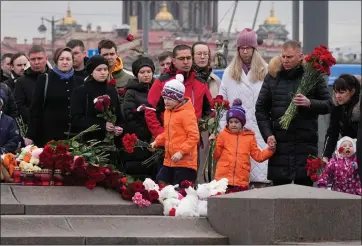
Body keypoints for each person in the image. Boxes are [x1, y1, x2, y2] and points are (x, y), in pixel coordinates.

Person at [255, 40, 333, 187]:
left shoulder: (313, 75)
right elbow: (260, 109)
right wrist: (268, 134)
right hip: (280, 147)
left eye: (289, 57)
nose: (285, 60)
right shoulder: (272, 76)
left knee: (304, 196)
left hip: (305, 146)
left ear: (300, 56)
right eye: (283, 56)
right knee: (279, 197)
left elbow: (329, 104)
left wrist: (309, 103)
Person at [218, 28, 270, 188]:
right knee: (235, 176)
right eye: (242, 48)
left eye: (248, 48)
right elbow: (222, 103)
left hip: (258, 129)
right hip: (234, 130)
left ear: (255, 49)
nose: (245, 51)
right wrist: (221, 130)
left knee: (259, 175)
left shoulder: (265, 70)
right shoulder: (229, 72)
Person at [145, 45, 213, 138]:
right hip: (169, 141)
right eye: (181, 58)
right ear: (174, 61)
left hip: (192, 141)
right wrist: (162, 135)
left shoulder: (200, 83)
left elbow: (210, 110)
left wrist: (202, 128)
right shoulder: (161, 82)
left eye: (188, 58)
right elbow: (150, 111)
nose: (185, 62)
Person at [211, 99, 275, 189]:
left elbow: (258, 156)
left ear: (242, 122)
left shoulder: (249, 137)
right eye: (231, 122)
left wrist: (270, 149)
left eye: (236, 122)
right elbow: (216, 155)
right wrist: (213, 144)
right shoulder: (223, 135)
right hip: (223, 181)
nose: (233, 124)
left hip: (241, 181)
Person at [26, 47, 83, 146]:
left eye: (68, 59)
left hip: (74, 137)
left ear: (72, 61)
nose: (65, 62)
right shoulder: (44, 79)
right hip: (49, 136)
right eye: (61, 59)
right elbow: (35, 109)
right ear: (56, 61)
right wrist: (30, 135)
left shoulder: (79, 81)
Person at [150, 75, 200, 185]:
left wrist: (181, 152)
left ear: (179, 99)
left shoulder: (186, 114)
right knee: (161, 182)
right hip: (170, 159)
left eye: (170, 99)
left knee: (181, 190)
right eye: (164, 98)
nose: (166, 101)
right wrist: (157, 141)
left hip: (185, 162)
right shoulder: (168, 111)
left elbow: (194, 136)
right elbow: (168, 132)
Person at [70, 55, 123, 143]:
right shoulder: (80, 91)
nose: (103, 73)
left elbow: (118, 115)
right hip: (88, 142)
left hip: (110, 143)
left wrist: (119, 127)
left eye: (105, 69)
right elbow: (75, 119)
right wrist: (102, 125)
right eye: (99, 70)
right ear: (91, 71)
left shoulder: (112, 90)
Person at [122, 56, 155, 179]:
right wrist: (146, 134)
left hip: (156, 138)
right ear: (136, 74)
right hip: (139, 139)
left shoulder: (157, 89)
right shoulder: (131, 92)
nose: (146, 75)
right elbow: (129, 115)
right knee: (138, 172)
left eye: (149, 72)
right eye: (142, 72)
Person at [323, 74, 361, 162]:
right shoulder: (337, 107)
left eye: (342, 92)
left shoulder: (359, 107)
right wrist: (326, 156)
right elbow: (332, 132)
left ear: (352, 91)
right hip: (348, 154)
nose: (337, 96)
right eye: (336, 92)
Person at [14, 45, 52, 124]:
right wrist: (36, 119)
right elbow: (20, 106)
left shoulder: (55, 78)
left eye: (39, 58)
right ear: (29, 60)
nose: (36, 62)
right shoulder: (21, 81)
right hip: (31, 125)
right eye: (33, 59)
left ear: (46, 59)